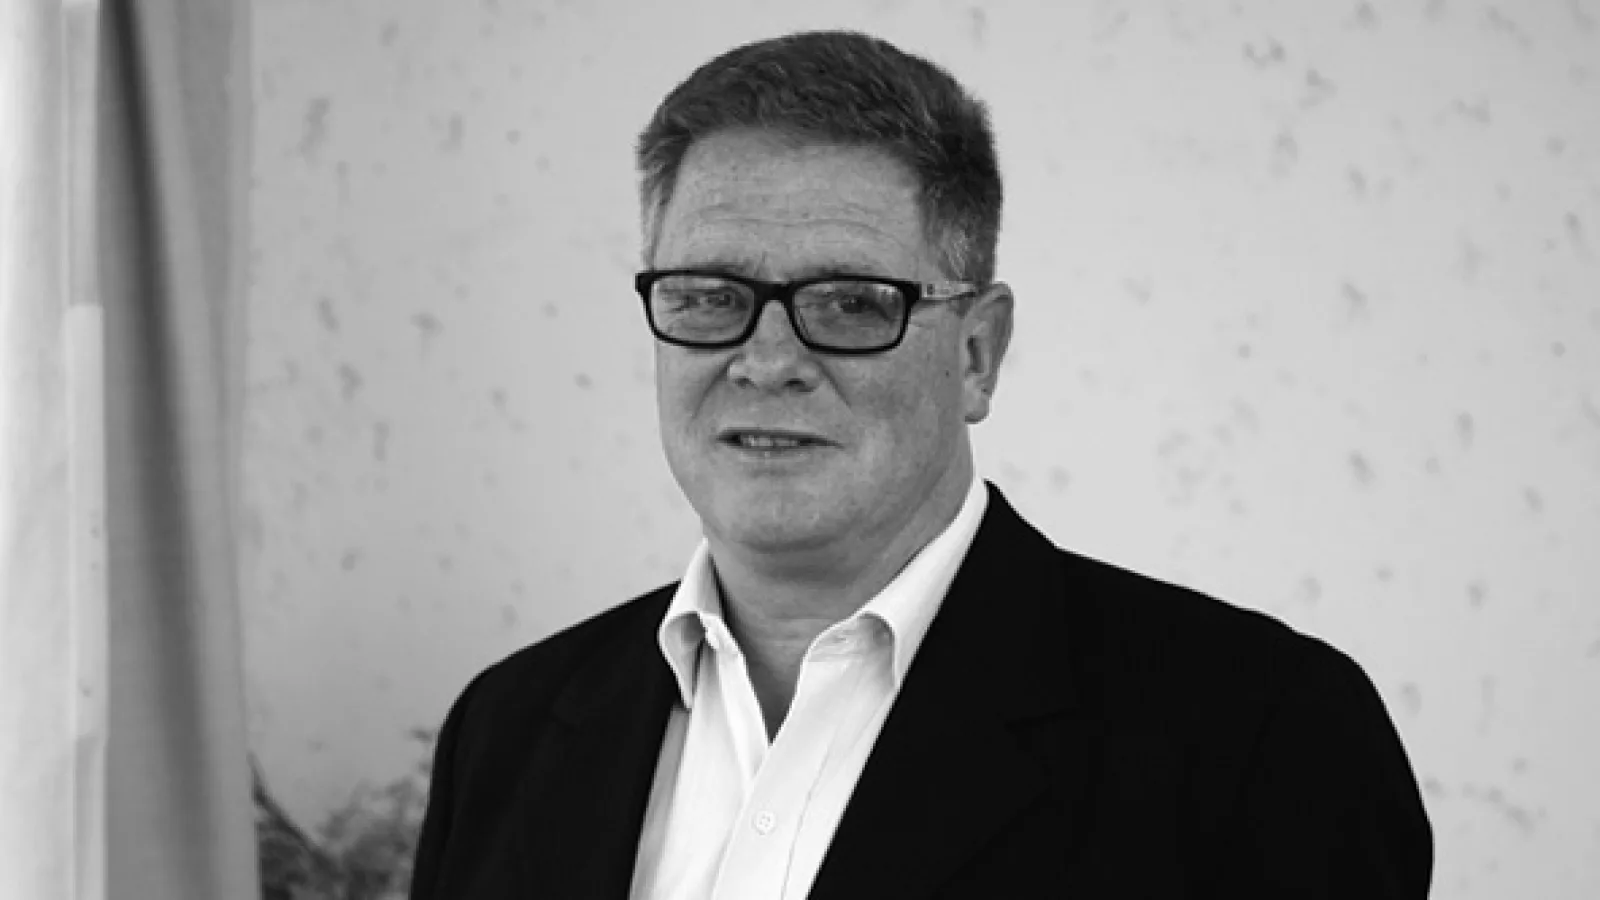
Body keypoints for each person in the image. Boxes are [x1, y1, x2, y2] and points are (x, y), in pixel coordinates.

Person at [407, 30, 1433, 899]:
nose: (766, 361)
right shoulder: (506, 730)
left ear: (977, 353)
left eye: (852, 303)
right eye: (710, 296)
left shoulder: (1259, 739)